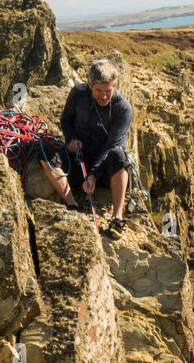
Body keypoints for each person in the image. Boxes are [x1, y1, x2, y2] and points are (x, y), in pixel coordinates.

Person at [47, 59, 133, 239]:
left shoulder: (123, 108)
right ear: (90, 84)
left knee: (119, 156)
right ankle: (72, 204)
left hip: (106, 171)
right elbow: (66, 120)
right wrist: (71, 139)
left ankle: (117, 218)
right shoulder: (78, 94)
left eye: (108, 91)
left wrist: (93, 174)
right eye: (98, 91)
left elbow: (112, 145)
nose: (103, 96)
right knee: (46, 148)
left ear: (114, 85)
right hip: (79, 160)